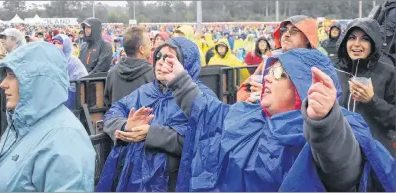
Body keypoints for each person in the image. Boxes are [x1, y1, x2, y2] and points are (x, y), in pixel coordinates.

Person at [160, 48, 394, 192]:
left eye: (280, 74)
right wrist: (180, 80)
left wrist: (325, 122)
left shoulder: (327, 127)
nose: (268, 79)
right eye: (269, 72)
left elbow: (344, 170)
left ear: (304, 85)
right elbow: (208, 112)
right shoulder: (247, 114)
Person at [96, 37, 217, 192]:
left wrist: (152, 134)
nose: (160, 62)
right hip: (133, 182)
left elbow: (206, 138)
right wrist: (126, 125)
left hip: (176, 182)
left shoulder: (200, 96)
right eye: (158, 56)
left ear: (185, 63)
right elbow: (113, 112)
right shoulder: (145, 91)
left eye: (169, 58)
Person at [0, 42, 96, 192]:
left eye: (12, 76)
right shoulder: (22, 122)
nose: (3, 84)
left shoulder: (65, 138)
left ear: (38, 81)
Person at [335, 18, 396, 155]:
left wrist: (372, 100)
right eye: (352, 38)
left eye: (364, 39)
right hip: (341, 156)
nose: (356, 44)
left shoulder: (388, 72)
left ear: (374, 43)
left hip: (377, 155)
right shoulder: (336, 71)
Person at [237, 15, 318, 103]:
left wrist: (271, 95)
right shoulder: (270, 59)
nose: (286, 34)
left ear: (307, 38)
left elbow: (315, 104)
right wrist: (250, 98)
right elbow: (246, 87)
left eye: (294, 31)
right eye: (284, 30)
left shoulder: (317, 65)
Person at [103, 26, 154, 107]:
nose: (151, 46)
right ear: (141, 49)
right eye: (149, 43)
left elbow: (107, 102)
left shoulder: (112, 73)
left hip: (117, 118)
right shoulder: (153, 74)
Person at [52, 34, 89, 109]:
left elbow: (82, 79)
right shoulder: (53, 60)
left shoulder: (73, 61)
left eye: (59, 43)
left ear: (66, 45)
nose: (56, 46)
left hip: (72, 93)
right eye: (54, 43)